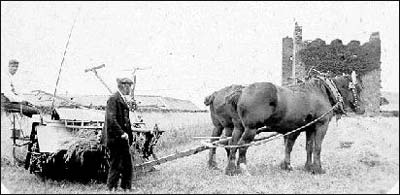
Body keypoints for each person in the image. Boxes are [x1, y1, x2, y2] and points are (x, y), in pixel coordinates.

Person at [101, 77, 134, 191]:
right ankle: (111, 188)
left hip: (121, 138)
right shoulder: (113, 99)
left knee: (127, 163)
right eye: (129, 86)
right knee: (116, 163)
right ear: (123, 86)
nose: (130, 88)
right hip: (115, 138)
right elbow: (111, 119)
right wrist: (121, 133)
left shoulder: (121, 98)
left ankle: (125, 187)